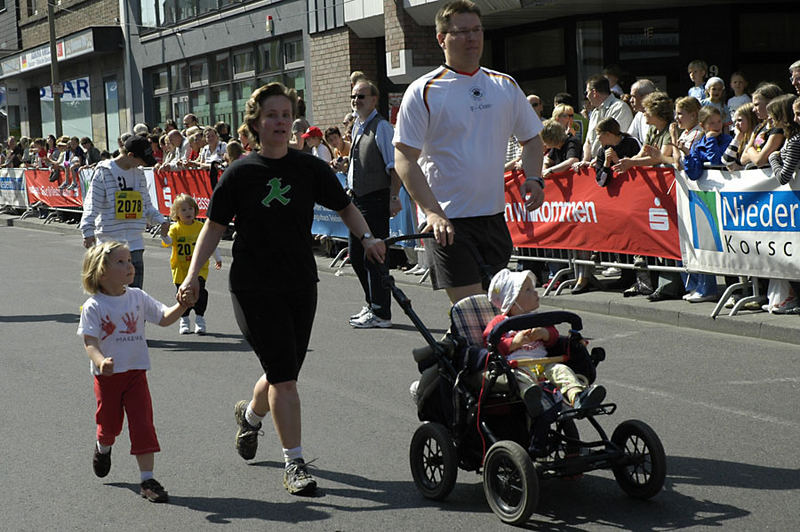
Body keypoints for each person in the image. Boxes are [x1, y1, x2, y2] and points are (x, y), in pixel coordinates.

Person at [177, 82, 387, 495]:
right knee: (285, 379)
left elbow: (346, 206)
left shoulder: (309, 167)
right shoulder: (240, 172)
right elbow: (214, 227)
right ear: (255, 122)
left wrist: (368, 238)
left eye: (286, 115)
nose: (280, 122)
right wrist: (191, 277)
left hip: (300, 282)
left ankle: (250, 416)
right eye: (271, 115)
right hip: (253, 286)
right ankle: (295, 463)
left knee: (283, 372)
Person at [393, 0, 545, 304]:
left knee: (500, 312)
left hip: (493, 218)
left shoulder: (504, 85)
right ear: (442, 39)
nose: (472, 38)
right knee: (473, 311)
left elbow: (532, 139)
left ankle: (460, 349)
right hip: (449, 223)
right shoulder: (423, 90)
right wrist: (432, 212)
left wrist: (534, 177)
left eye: (477, 30)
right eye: (461, 32)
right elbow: (404, 157)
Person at [78, 241, 192, 503]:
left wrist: (182, 306)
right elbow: (90, 342)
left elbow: (163, 317)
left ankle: (147, 479)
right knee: (109, 425)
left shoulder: (137, 297)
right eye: (121, 262)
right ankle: (103, 447)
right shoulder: (94, 305)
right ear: (101, 271)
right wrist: (100, 361)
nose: (129, 266)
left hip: (136, 373)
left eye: (129, 261)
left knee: (143, 424)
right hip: (107, 378)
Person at [484, 268, 606, 411]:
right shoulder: (500, 321)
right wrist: (515, 342)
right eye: (528, 290)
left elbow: (553, 337)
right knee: (521, 379)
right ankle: (533, 400)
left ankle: (578, 396)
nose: (535, 292)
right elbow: (489, 342)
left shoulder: (538, 318)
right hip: (518, 365)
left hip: (545, 363)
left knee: (562, 370)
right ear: (512, 300)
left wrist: (544, 333)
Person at [347, 79, 403, 328]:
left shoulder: (382, 127)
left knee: (375, 256)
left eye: (361, 96)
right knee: (356, 255)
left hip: (376, 199)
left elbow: (394, 166)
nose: (356, 101)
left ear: (373, 99)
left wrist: (393, 197)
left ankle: (382, 312)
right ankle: (372, 304)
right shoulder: (357, 126)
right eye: (353, 96)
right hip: (357, 200)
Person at [79, 136, 169, 288]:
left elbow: (146, 205)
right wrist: (87, 230)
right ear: (130, 155)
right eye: (142, 160)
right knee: (111, 295)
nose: (143, 164)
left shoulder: (139, 174)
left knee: (135, 297)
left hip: (135, 245)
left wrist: (161, 220)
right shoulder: (104, 171)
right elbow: (92, 203)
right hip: (110, 244)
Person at [162, 194, 222, 334]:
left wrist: (217, 258)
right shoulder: (175, 228)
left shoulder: (201, 227)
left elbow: (210, 244)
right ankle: (184, 319)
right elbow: (169, 242)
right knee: (183, 294)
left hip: (199, 268)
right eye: (183, 210)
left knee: (200, 292)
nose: (188, 212)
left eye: (190, 208)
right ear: (176, 213)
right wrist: (164, 235)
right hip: (180, 269)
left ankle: (200, 319)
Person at [575, 75, 633, 169]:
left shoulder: (620, 108)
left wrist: (599, 159)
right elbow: (588, 141)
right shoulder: (594, 112)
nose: (586, 96)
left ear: (594, 92)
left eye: (587, 92)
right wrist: (585, 160)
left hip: (613, 166)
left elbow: (615, 139)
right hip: (595, 165)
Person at [741, 83, 785, 168]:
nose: (754, 110)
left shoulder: (779, 128)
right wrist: (755, 154)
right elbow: (743, 159)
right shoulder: (759, 127)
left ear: (771, 103)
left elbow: (759, 160)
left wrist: (749, 149)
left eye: (757, 104)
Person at [722, 103, 759, 170]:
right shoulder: (741, 139)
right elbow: (726, 160)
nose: (736, 125)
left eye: (739, 120)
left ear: (750, 119)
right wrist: (737, 137)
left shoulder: (759, 139)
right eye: (735, 121)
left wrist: (741, 168)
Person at [627, 79, 657, 145]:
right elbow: (630, 138)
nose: (631, 101)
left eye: (634, 97)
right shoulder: (639, 115)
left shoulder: (664, 115)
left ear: (646, 97)